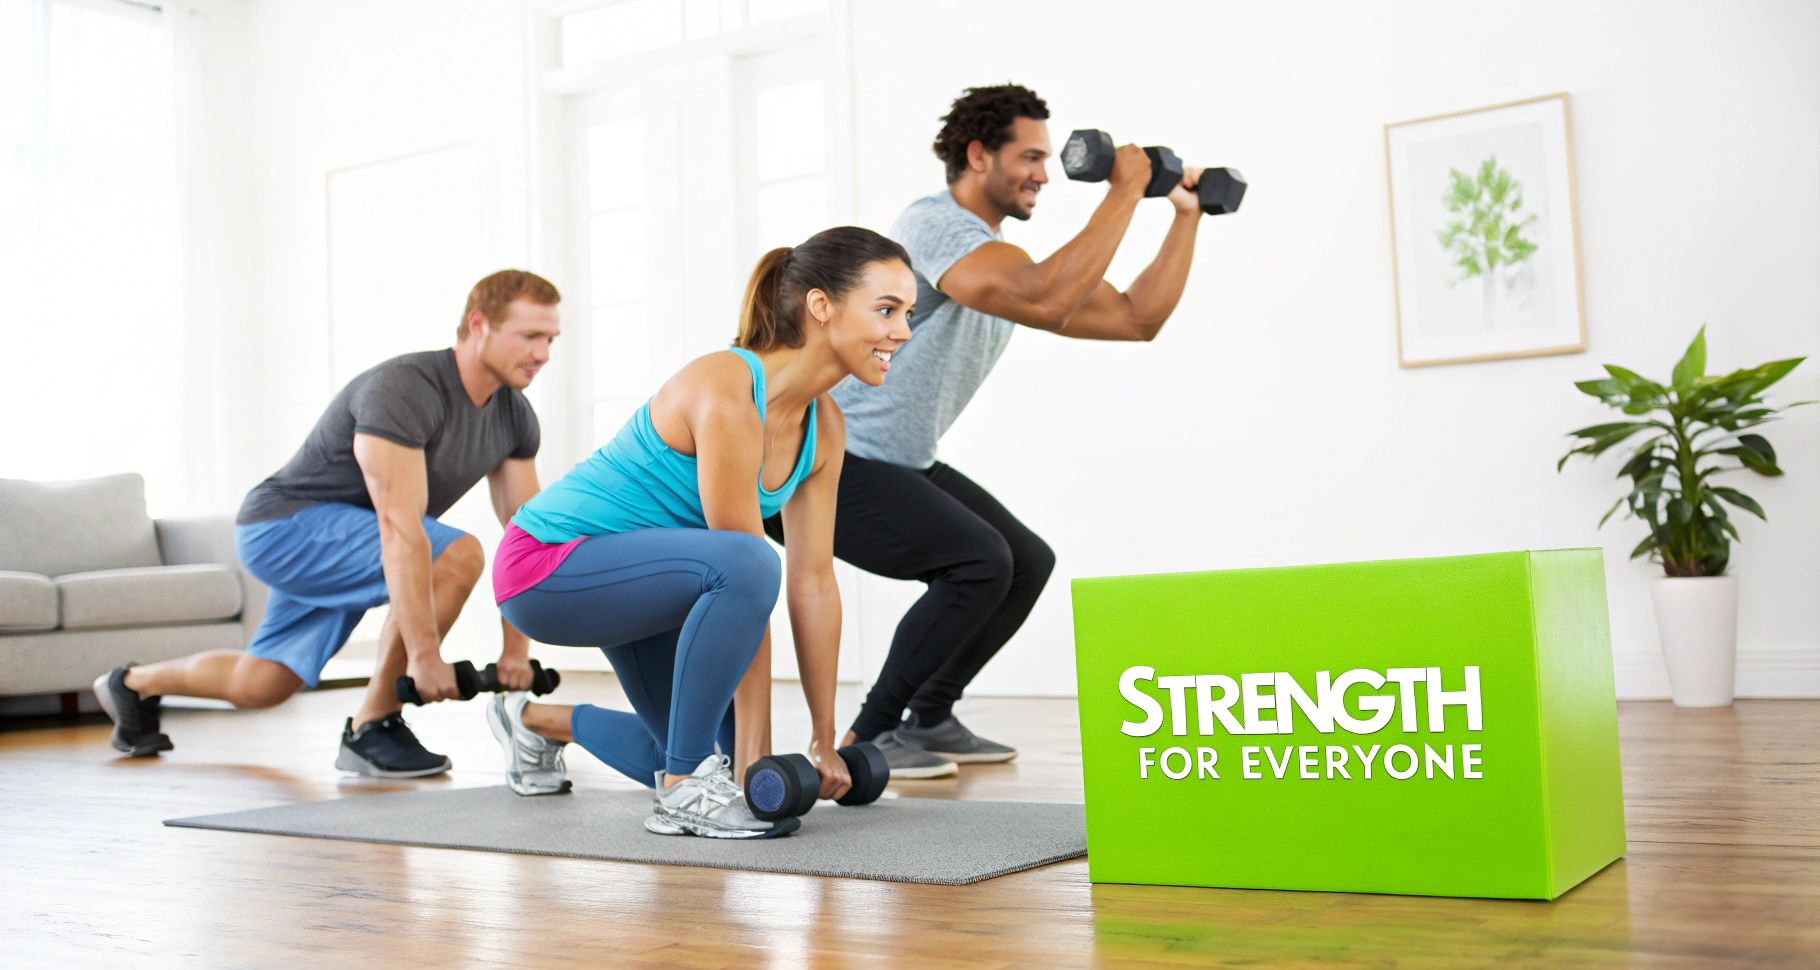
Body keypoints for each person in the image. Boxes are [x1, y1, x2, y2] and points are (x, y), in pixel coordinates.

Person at [765, 84, 1207, 776]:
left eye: (1045, 158)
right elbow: (1046, 295)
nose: (1044, 174)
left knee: (1026, 562)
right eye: (1030, 157)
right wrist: (1125, 188)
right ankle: (869, 736)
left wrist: (1186, 213)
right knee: (979, 561)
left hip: (900, 457)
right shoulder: (935, 227)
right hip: (824, 456)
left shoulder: (1002, 259)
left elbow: (1135, 319)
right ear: (978, 156)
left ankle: (929, 716)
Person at [486, 226, 915, 839]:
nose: (903, 331)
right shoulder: (728, 388)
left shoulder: (825, 426)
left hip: (652, 586)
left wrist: (824, 740)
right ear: (822, 306)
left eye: (907, 314)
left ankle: (531, 722)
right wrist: (754, 759)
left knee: (690, 746)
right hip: (547, 567)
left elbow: (814, 581)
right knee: (748, 569)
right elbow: (745, 574)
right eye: (887, 310)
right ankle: (684, 790)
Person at [93, 270, 560, 777]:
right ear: (479, 324)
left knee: (263, 684)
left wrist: (516, 652)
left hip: (346, 538)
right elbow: (400, 529)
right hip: (284, 527)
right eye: (530, 336)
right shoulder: (407, 388)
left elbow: (525, 536)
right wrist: (424, 658)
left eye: (550, 339)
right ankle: (373, 726)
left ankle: (132, 684)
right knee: (456, 554)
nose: (542, 354)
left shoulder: (514, 417)